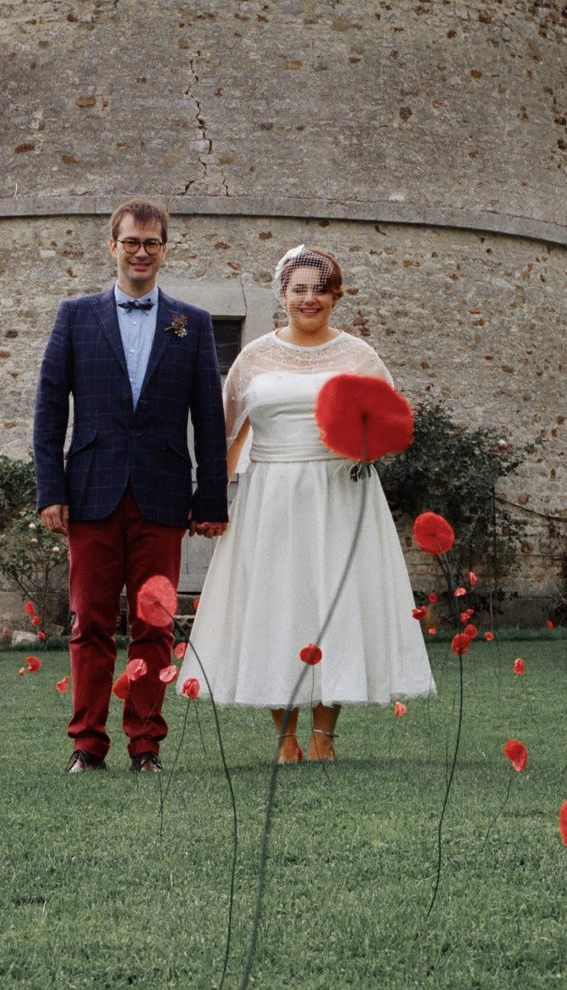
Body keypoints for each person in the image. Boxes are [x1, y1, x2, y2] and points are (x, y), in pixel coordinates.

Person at [183, 245, 436, 763]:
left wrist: (365, 448)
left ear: (335, 295)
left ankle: (324, 738)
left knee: (333, 607)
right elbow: (229, 435)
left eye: (320, 289)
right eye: (298, 289)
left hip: (340, 494)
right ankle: (285, 740)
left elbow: (390, 423)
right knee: (278, 607)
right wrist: (210, 502)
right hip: (270, 495)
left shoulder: (360, 355)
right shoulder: (252, 359)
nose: (309, 299)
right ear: (281, 294)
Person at [33, 199, 229, 774]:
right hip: (91, 492)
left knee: (154, 624)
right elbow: (49, 411)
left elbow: (208, 421)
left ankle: (146, 747)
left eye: (152, 243)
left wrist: (210, 499)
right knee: (88, 622)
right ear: (112, 246)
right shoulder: (74, 316)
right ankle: (86, 746)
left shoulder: (192, 324)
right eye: (130, 242)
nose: (140, 252)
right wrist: (51, 489)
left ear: (165, 250)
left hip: (163, 497)